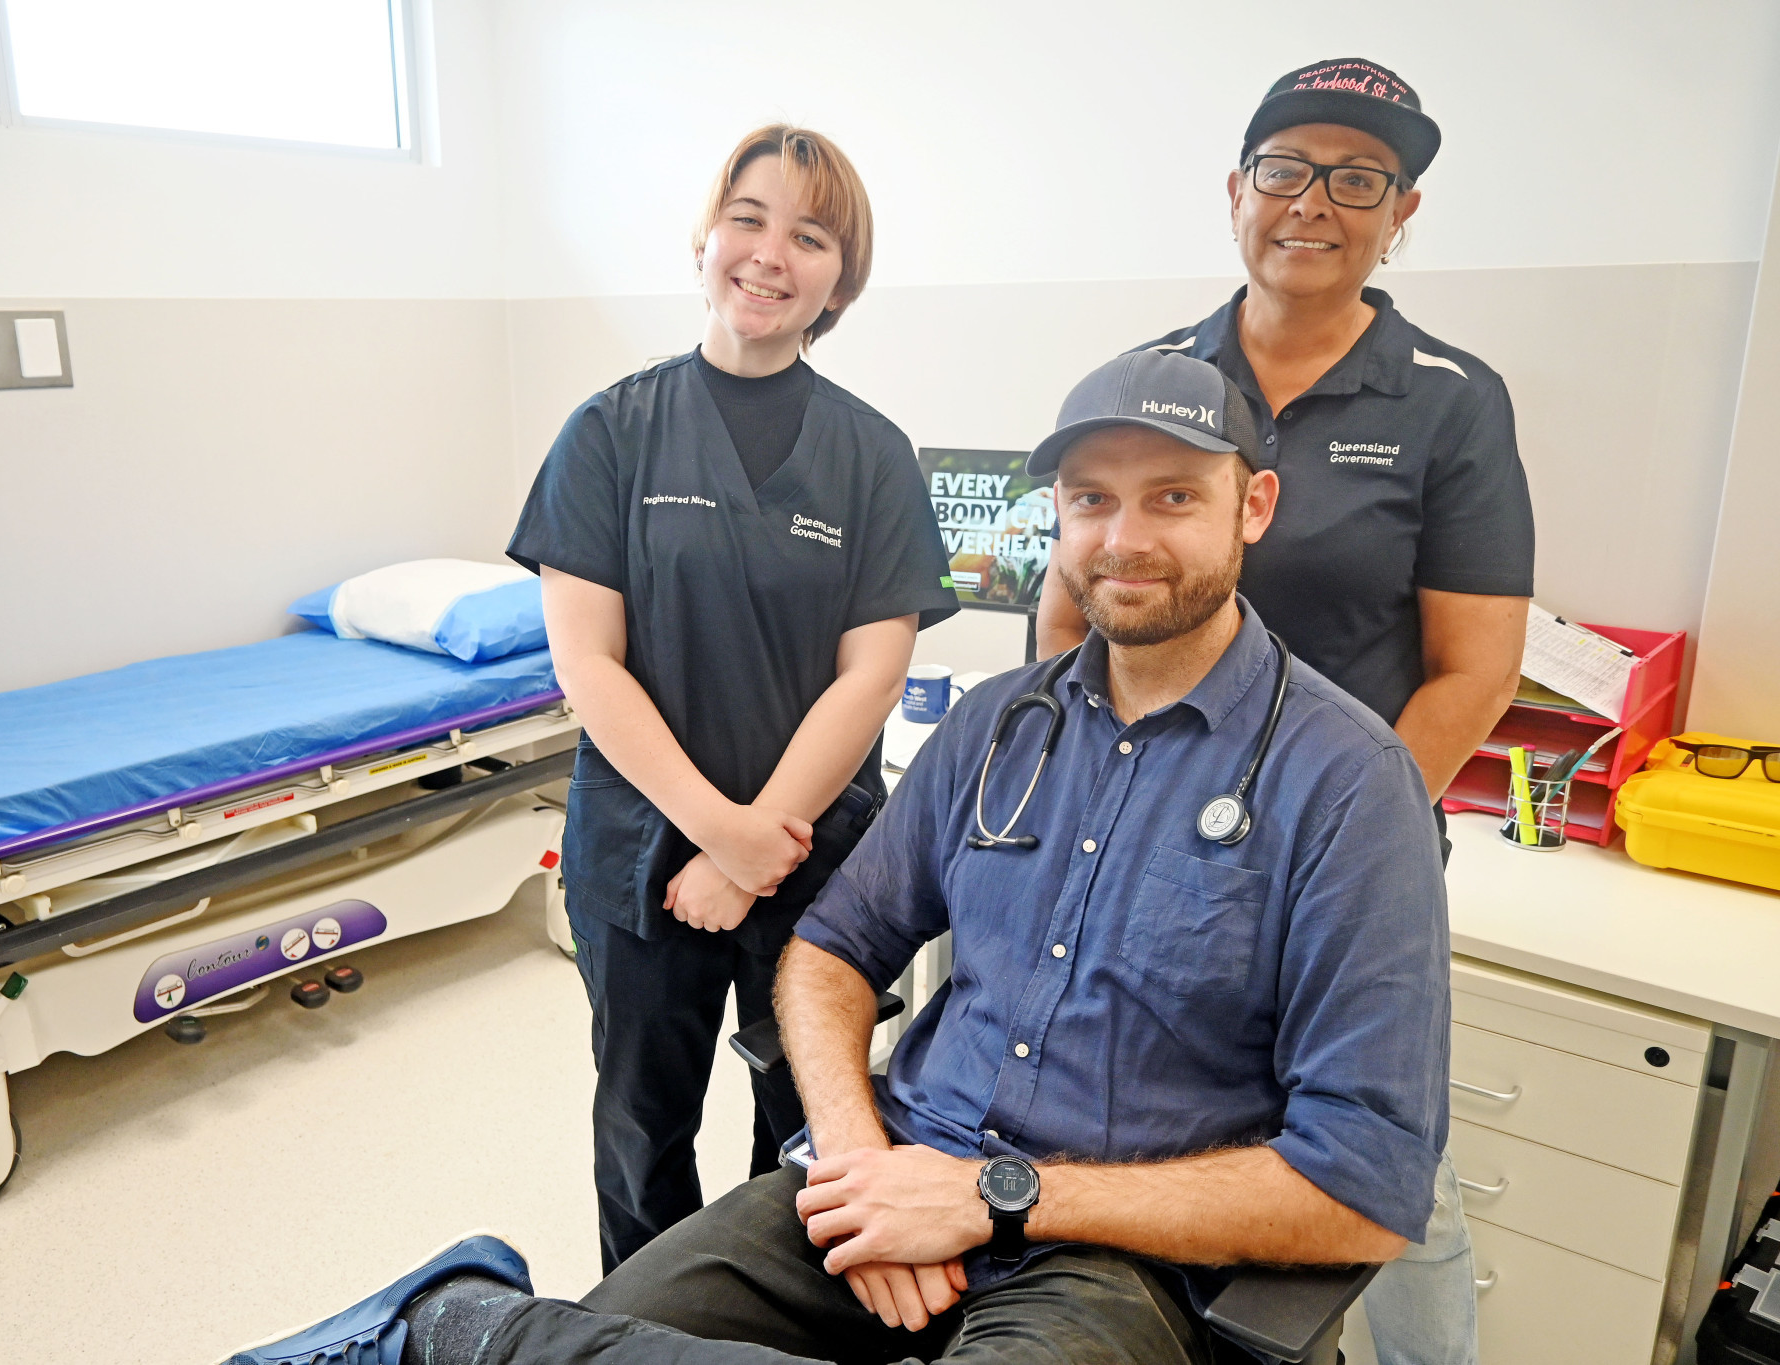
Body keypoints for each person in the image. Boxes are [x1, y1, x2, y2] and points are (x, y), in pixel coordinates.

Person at [223, 350, 1451, 1365]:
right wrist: (862, 1157)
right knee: (609, 1330)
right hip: (887, 1172)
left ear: (1252, 507)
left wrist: (990, 1200)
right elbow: (828, 950)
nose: (1122, 538)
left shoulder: (1342, 785)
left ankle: (453, 1332)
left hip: (1115, 1260)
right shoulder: (992, 728)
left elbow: (1364, 1185)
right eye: (1090, 499)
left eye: (1172, 496)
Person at [1033, 58, 1531, 1363]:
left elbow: (1475, 666)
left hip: (1349, 859)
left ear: (1401, 209)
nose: (1316, 200)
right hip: (1140, 841)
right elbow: (1069, 611)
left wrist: (1311, 835)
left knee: (1384, 1165)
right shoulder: (1148, 376)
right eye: (1287, 168)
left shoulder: (1450, 398)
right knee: (1153, 1134)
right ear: (1237, 190)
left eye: (1358, 177)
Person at [505, 125, 959, 1275]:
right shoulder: (609, 432)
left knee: (804, 1123)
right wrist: (719, 832)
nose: (769, 254)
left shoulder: (871, 455)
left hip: (815, 862)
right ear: (705, 238)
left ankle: (782, 1317)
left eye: (808, 236)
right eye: (747, 220)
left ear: (839, 277)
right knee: (639, 1119)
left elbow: (873, 672)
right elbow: (588, 665)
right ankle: (642, 1324)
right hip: (638, 853)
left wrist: (759, 850)